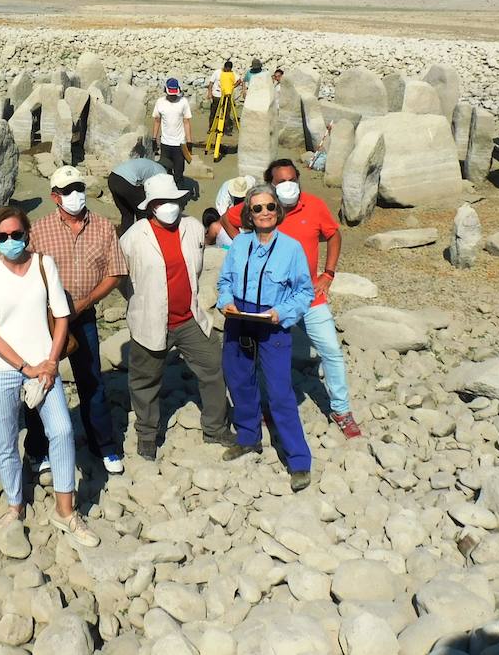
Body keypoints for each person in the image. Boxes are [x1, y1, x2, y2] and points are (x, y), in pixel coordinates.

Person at [0, 206, 100, 546]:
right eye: (3, 236)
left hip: (44, 366)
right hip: (2, 369)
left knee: (61, 429)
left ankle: (65, 510)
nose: (11, 241)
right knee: (6, 439)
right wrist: (26, 368)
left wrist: (51, 361)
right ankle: (14, 504)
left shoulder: (44, 265)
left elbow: (61, 317)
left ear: (27, 233)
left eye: (17, 234)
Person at [222, 158, 360, 438]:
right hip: (268, 301)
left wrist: (329, 273)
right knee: (258, 355)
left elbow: (334, 234)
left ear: (298, 179)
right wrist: (244, 246)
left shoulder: (315, 205)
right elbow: (227, 219)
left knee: (331, 351)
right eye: (280, 181)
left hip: (307, 297)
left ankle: (341, 410)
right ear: (270, 185)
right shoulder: (262, 208)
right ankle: (262, 409)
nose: (288, 186)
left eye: (292, 179)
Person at [119, 175, 234, 460]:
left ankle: (215, 428)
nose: (170, 206)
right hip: (150, 321)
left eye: (174, 200)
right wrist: (142, 303)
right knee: (145, 381)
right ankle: (147, 435)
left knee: (212, 367)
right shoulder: (133, 237)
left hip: (189, 319)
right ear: (151, 206)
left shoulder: (192, 227)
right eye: (163, 202)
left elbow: (197, 267)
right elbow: (123, 279)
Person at [24, 166, 129, 476]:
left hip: (84, 317)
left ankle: (104, 447)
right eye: (68, 190)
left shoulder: (103, 227)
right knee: (38, 380)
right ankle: (38, 450)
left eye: (79, 187)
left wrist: (86, 301)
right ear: (55, 196)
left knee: (91, 381)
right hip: (44, 320)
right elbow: (25, 271)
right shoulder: (39, 229)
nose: (76, 194)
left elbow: (116, 271)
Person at [216, 185, 315, 492]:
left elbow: (304, 292)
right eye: (257, 208)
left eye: (269, 206)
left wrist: (282, 313)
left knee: (279, 390)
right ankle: (248, 438)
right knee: (238, 378)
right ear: (248, 212)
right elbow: (225, 280)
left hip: (272, 321)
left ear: (278, 209)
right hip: (239, 317)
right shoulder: (239, 243)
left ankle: (298, 460)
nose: (264, 213)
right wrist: (225, 300)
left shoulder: (291, 248)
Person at [107, 152, 166, 235]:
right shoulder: (162, 171)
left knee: (127, 213)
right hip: (125, 181)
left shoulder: (148, 163)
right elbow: (150, 188)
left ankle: (124, 239)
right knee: (142, 211)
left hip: (113, 178)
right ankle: (143, 236)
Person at [152, 78, 192, 191]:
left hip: (180, 144)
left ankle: (179, 195)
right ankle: (167, 194)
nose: (173, 97)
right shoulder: (160, 102)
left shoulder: (183, 102)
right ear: (165, 90)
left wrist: (189, 141)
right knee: (165, 172)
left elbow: (186, 121)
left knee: (179, 172)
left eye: (174, 94)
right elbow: (157, 121)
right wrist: (154, 139)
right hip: (165, 144)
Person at [206, 60, 239, 131]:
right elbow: (211, 83)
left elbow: (239, 80)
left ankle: (225, 129)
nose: (227, 71)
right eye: (227, 69)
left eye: (229, 70)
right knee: (213, 112)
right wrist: (209, 93)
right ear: (225, 67)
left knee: (226, 113)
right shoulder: (217, 72)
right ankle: (211, 128)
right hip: (217, 95)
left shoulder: (232, 73)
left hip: (227, 95)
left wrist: (232, 87)